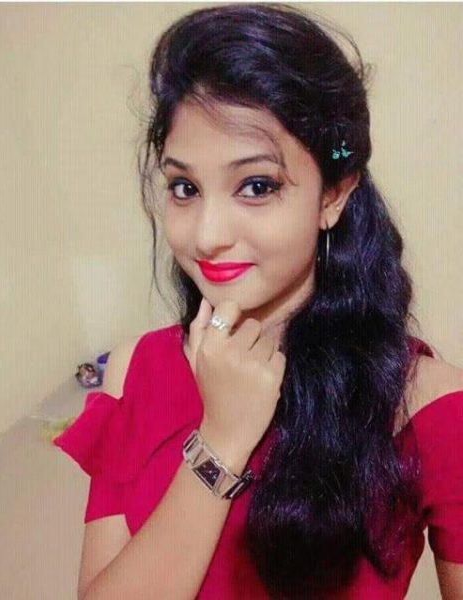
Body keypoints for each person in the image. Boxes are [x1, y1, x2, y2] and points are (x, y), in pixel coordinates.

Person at [53, 3, 463, 598]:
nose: (207, 235)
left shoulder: (425, 405)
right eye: (185, 187)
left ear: (333, 195)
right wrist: (220, 442)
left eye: (256, 186)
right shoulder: (134, 371)